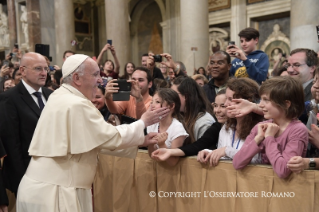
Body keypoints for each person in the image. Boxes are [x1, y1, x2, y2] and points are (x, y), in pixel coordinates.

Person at [16, 54, 170, 212]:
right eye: (96, 74)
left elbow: (93, 140)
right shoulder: (76, 103)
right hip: (56, 193)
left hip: (43, 189)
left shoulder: (59, 96)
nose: (100, 80)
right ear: (76, 78)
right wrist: (143, 122)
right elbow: (108, 136)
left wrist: (141, 140)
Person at [0, 52, 53, 198]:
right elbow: (12, 144)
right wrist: (23, 182)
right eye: (38, 69)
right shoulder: (9, 98)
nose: (44, 73)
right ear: (22, 71)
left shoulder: (52, 95)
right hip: (28, 176)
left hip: (54, 175)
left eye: (46, 69)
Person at [233, 76, 308, 178]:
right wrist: (258, 139)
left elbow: (283, 171)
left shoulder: (298, 130)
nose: (260, 105)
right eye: (261, 99)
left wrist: (269, 138)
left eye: (266, 100)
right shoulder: (261, 127)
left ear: (286, 104)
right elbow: (237, 163)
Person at [198, 78, 263, 166]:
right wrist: (210, 152)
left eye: (230, 99)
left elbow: (257, 161)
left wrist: (227, 150)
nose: (226, 104)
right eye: (226, 98)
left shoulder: (260, 126)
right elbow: (224, 156)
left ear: (248, 102)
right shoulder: (227, 125)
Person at [151, 89, 227, 160]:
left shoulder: (177, 127)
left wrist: (167, 150)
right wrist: (169, 151)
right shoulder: (216, 126)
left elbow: (172, 162)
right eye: (215, 106)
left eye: (223, 106)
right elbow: (198, 145)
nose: (217, 110)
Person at [147, 88, 188, 166]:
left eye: (157, 102)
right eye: (152, 102)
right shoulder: (152, 124)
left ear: (171, 106)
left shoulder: (177, 128)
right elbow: (151, 155)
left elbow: (173, 162)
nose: (152, 106)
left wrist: (162, 144)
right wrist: (151, 144)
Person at [171, 77, 215, 144]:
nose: (170, 99)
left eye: (174, 94)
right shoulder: (179, 116)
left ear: (186, 97)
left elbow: (204, 150)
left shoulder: (204, 122)